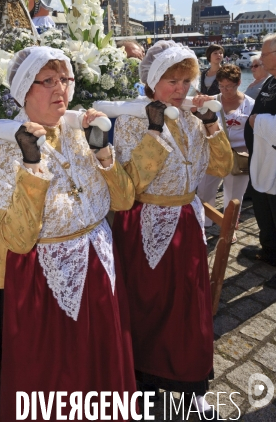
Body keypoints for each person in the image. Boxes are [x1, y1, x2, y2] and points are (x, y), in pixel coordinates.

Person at [0, 46, 136, 421]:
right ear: (22, 90)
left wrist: (103, 156)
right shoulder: (0, 151)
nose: (60, 89)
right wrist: (31, 165)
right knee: (56, 375)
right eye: (48, 80)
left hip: (101, 266)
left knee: (103, 361)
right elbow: (16, 240)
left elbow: (124, 202)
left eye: (65, 79)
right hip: (43, 281)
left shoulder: (81, 132)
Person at [112, 40, 233, 413]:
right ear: (151, 82)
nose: (180, 89)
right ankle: (146, 383)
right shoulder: (132, 121)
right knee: (149, 305)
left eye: (185, 80)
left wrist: (212, 124)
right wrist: (153, 130)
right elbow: (131, 185)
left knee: (189, 308)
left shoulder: (195, 122)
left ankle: (192, 385)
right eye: (171, 81)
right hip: (145, 224)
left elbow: (221, 168)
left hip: (187, 223)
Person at [197, 65, 254, 240]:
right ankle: (204, 225)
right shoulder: (212, 102)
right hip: (213, 154)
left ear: (239, 83)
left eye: (229, 86)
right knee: (205, 191)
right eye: (221, 86)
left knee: (234, 195)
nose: (225, 90)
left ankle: (230, 228)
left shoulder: (250, 104)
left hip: (239, 154)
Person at [243, 33, 276, 276]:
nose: (260, 57)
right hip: (261, 160)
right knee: (264, 211)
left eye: (264, 53)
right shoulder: (271, 80)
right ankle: (269, 251)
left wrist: (257, 121)